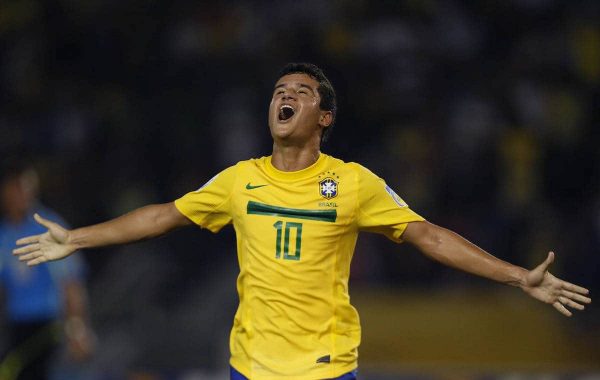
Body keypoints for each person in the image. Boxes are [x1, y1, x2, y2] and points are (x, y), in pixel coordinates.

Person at [12, 63, 591, 380]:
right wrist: (77, 237)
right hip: (251, 369)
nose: (284, 97)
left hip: (326, 370)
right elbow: (165, 216)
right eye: (278, 91)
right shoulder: (239, 180)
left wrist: (519, 276)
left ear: (324, 116)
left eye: (301, 92)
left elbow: (428, 235)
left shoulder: (355, 183)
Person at [0, 161, 94, 380]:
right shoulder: (3, 234)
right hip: (17, 325)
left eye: (28, 189)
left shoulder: (48, 228)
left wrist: (77, 328)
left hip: (49, 326)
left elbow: (70, 283)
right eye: (17, 188)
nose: (23, 195)